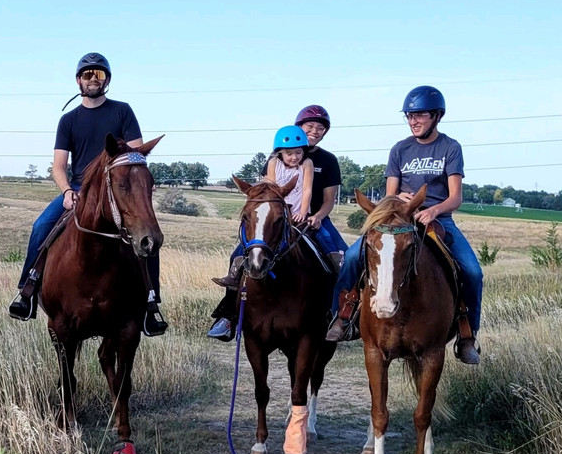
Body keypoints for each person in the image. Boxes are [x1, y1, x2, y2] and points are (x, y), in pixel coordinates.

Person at [8, 52, 167, 337]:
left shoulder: (123, 111)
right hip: (81, 190)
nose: (93, 79)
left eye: (100, 74)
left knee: (147, 236)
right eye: (87, 75)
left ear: (107, 80)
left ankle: (151, 302)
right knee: (41, 226)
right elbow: (58, 167)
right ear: (78, 81)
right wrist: (67, 191)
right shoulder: (68, 121)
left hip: (116, 189)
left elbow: (136, 155)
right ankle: (27, 291)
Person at [325, 86, 483, 365]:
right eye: (409, 116)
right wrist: (398, 199)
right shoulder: (400, 149)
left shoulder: (450, 147)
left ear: (437, 116)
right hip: (399, 219)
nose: (413, 121)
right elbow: (389, 194)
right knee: (351, 257)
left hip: (438, 218)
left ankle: (467, 333)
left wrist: (433, 209)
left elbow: (455, 197)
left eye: (419, 115)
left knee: (472, 271)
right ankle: (343, 315)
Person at [206, 126, 316, 340]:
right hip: (274, 213)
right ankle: (228, 314)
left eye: (299, 152)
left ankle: (333, 311)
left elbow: (307, 190)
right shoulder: (273, 164)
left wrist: (303, 212)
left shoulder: (308, 164)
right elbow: (271, 187)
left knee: (325, 253)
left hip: (298, 216)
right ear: (279, 153)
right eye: (290, 153)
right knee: (238, 254)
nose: (295, 157)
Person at [295, 104, 348, 267]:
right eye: (309, 126)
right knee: (243, 251)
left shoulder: (329, 160)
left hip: (316, 218)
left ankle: (344, 290)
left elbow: (329, 200)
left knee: (349, 258)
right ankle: (233, 286)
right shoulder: (281, 155)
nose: (315, 131)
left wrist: (317, 217)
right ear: (299, 127)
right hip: (283, 215)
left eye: (320, 128)